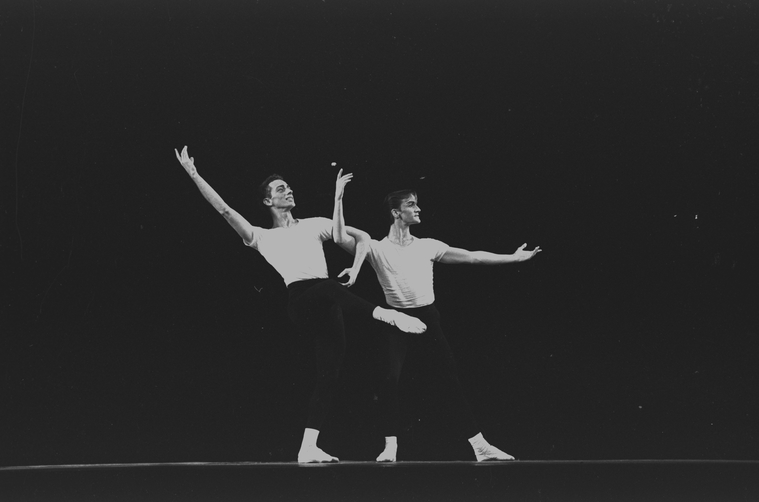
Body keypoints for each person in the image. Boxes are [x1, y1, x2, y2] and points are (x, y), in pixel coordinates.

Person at [174, 147, 427, 464]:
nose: (288, 190)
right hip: (303, 301)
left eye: (289, 187)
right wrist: (194, 173)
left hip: (330, 304)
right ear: (268, 201)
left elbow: (350, 237)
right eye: (281, 189)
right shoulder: (261, 236)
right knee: (330, 287)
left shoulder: (313, 224)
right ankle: (386, 315)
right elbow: (224, 210)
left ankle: (308, 446)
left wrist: (338, 202)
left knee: (328, 376)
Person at [332, 172, 541, 462]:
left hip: (428, 317)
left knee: (449, 379)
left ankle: (480, 446)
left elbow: (472, 257)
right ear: (396, 213)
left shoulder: (427, 245)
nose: (418, 209)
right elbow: (339, 236)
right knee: (389, 379)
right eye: (411, 204)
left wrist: (512, 258)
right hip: (397, 321)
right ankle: (390, 446)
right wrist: (339, 198)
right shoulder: (376, 249)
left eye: (417, 204)